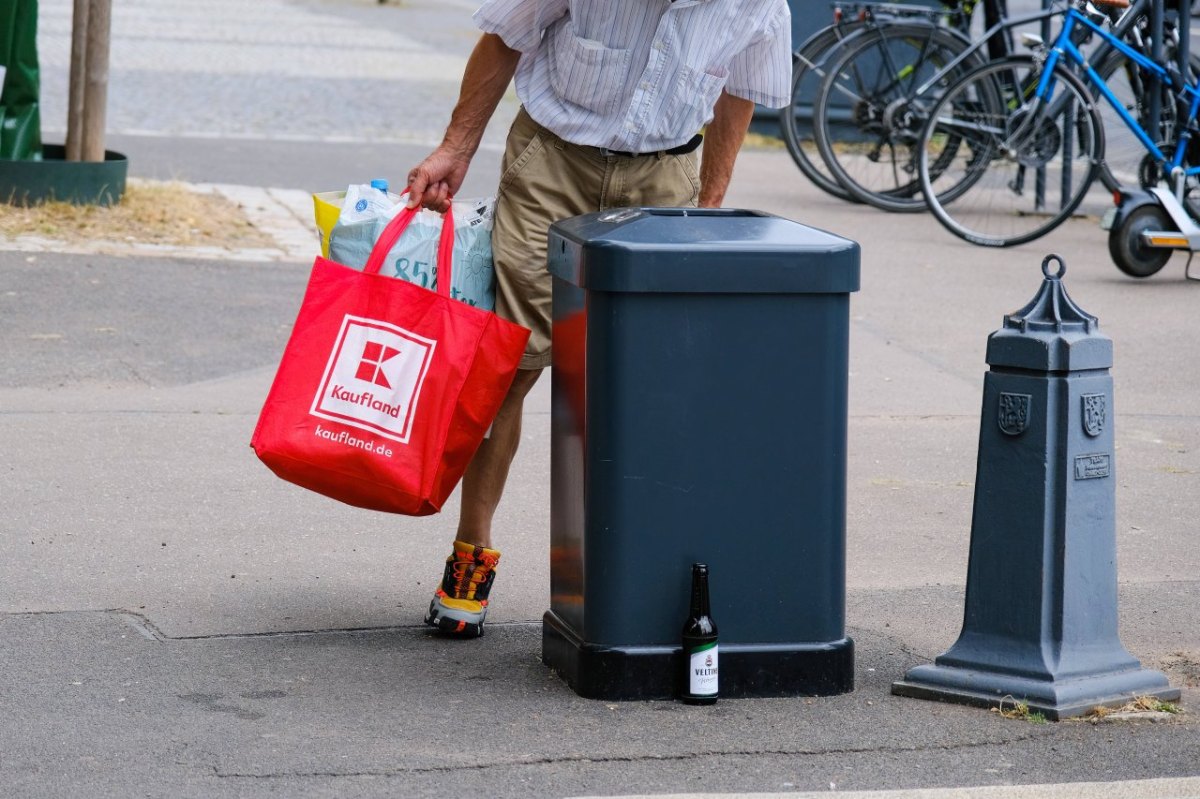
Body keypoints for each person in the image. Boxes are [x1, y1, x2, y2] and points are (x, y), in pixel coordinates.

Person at [408, 0, 792, 637]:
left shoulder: (758, 5)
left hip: (665, 177)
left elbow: (739, 92)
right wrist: (456, 146)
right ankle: (470, 556)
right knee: (509, 366)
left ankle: (635, 572)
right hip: (554, 160)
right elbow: (505, 36)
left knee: (647, 387)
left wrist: (710, 206)